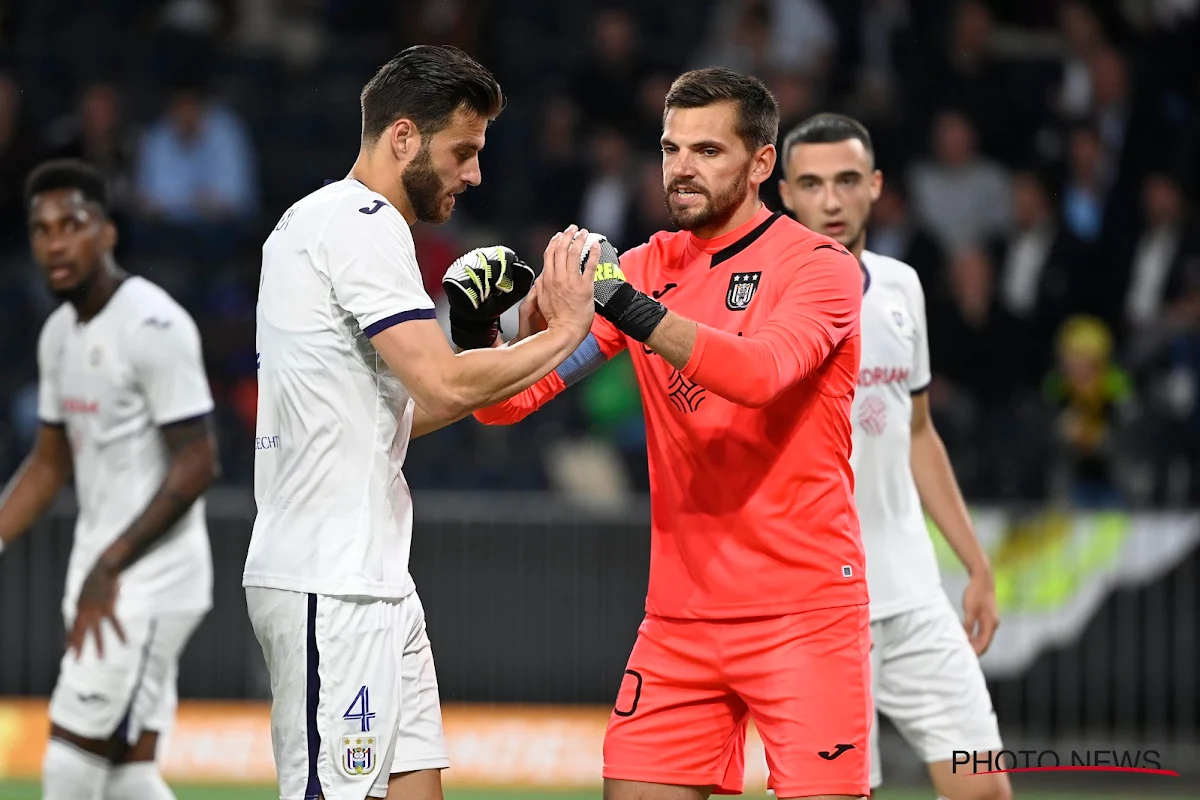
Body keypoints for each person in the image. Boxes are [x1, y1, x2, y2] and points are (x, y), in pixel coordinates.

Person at [475, 68, 872, 800]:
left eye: (708, 151)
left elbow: (761, 374)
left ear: (761, 164)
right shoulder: (648, 266)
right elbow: (505, 404)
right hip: (680, 621)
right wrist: (491, 330)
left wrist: (627, 305)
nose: (681, 167)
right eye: (670, 147)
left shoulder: (821, 268)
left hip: (802, 616)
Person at [241, 45, 598, 800]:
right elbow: (439, 380)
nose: (474, 174)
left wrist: (494, 342)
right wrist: (566, 332)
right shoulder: (362, 221)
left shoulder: (325, 221)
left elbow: (419, 406)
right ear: (403, 137)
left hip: (372, 576)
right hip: (329, 582)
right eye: (462, 152)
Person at [778, 112, 1011, 800]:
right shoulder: (762, 305)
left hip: (913, 599)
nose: (830, 201)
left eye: (847, 181)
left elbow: (917, 434)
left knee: (984, 788)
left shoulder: (904, 286)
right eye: (812, 184)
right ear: (785, 194)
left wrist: (975, 564)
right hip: (815, 608)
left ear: (875, 186)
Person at [0, 158, 220, 800]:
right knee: (127, 777)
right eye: (42, 229)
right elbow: (47, 464)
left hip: (141, 583)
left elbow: (199, 460)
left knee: (69, 766)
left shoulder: (154, 323)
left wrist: (111, 566)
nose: (56, 241)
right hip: (105, 579)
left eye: (73, 223)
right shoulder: (58, 335)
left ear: (107, 233)